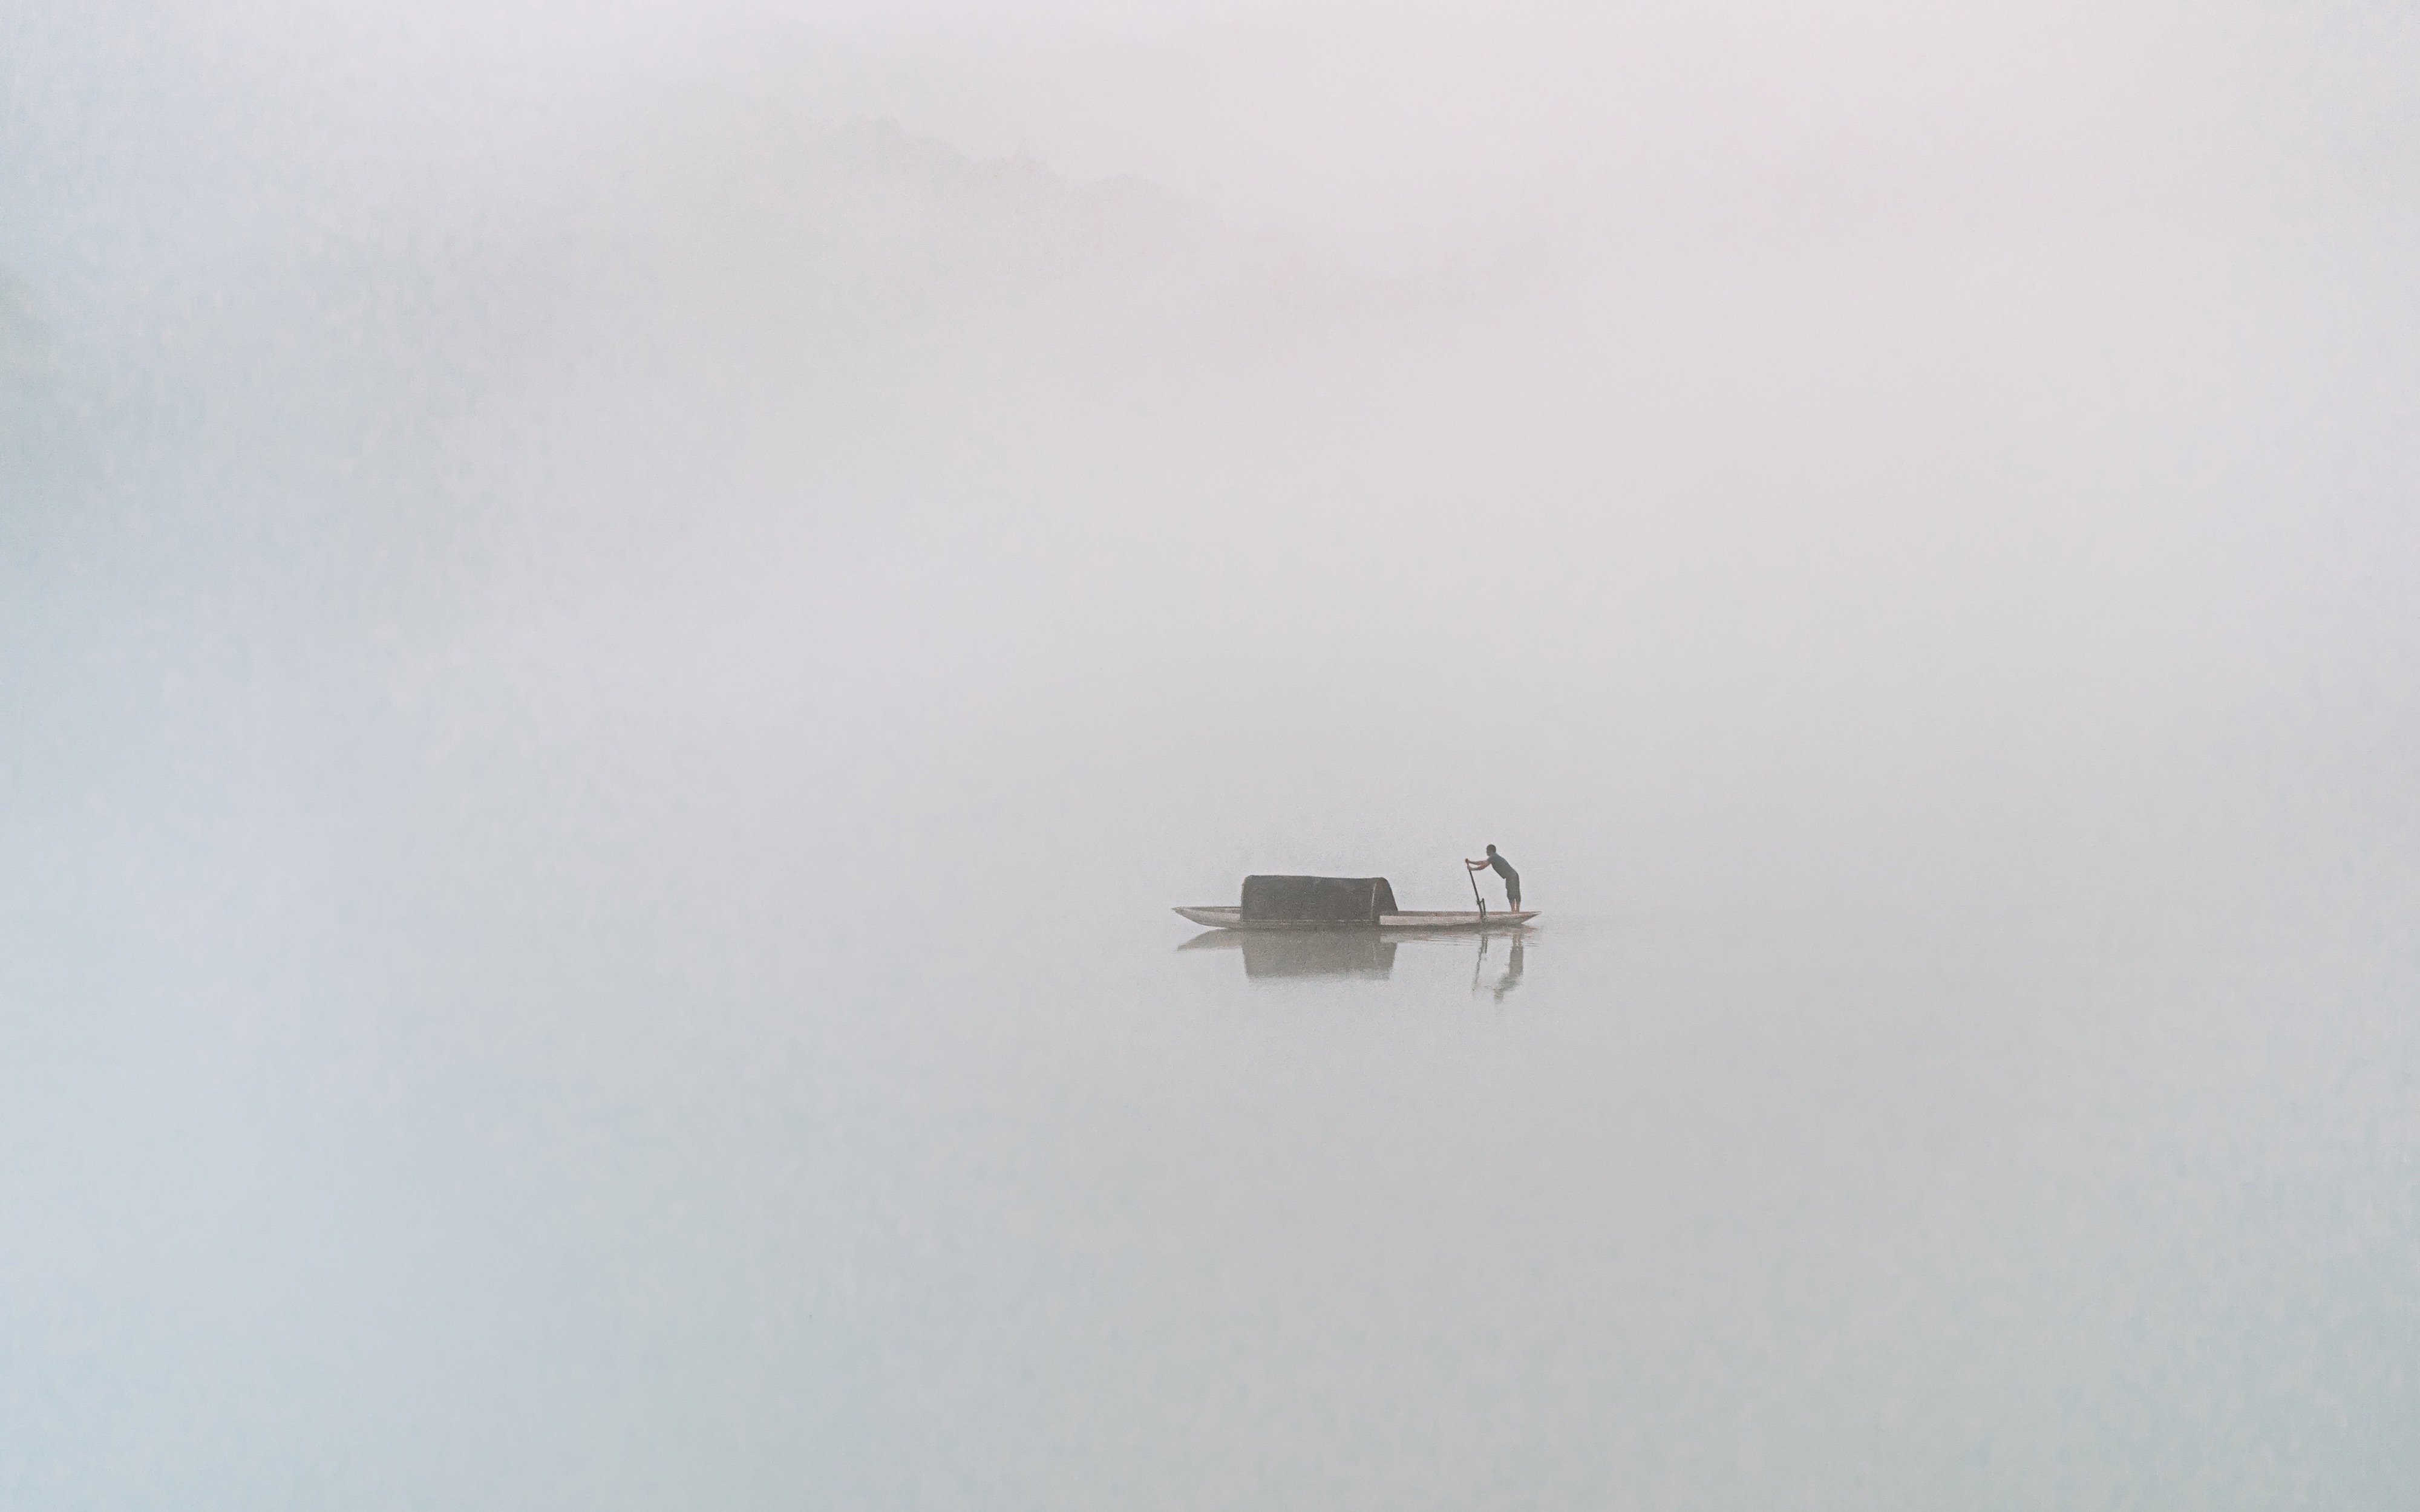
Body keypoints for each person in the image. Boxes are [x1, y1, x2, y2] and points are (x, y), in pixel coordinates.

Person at [1465, 844, 1521, 911]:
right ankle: (1516, 911)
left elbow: (1483, 866)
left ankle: (1515, 912)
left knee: (1512, 893)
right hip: (1514, 875)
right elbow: (1482, 862)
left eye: (1487, 850)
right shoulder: (1494, 857)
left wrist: (1472, 869)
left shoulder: (1493, 857)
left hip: (1511, 876)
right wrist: (1470, 862)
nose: (1486, 852)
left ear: (1490, 851)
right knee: (1515, 893)